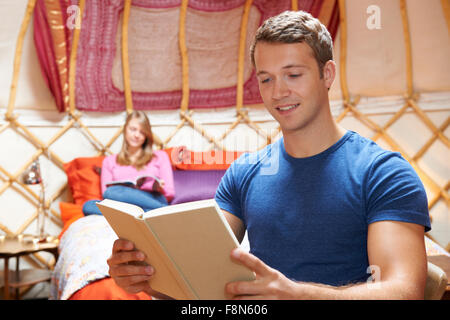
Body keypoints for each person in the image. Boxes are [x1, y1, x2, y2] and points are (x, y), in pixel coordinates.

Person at [106, 11, 431, 299]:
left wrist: (297, 295)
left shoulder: (383, 173)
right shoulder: (244, 173)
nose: (278, 92)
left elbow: (404, 291)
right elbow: (200, 283)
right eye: (266, 79)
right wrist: (148, 278)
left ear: (327, 74)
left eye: (294, 74)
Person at [82, 111, 174, 216]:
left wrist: (151, 186)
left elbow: (170, 193)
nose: (136, 135)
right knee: (89, 205)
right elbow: (106, 195)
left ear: (147, 135)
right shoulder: (109, 161)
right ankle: (147, 213)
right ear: (125, 129)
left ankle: (161, 210)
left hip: (152, 199)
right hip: (122, 204)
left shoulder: (160, 156)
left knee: (111, 192)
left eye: (142, 132)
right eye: (133, 129)